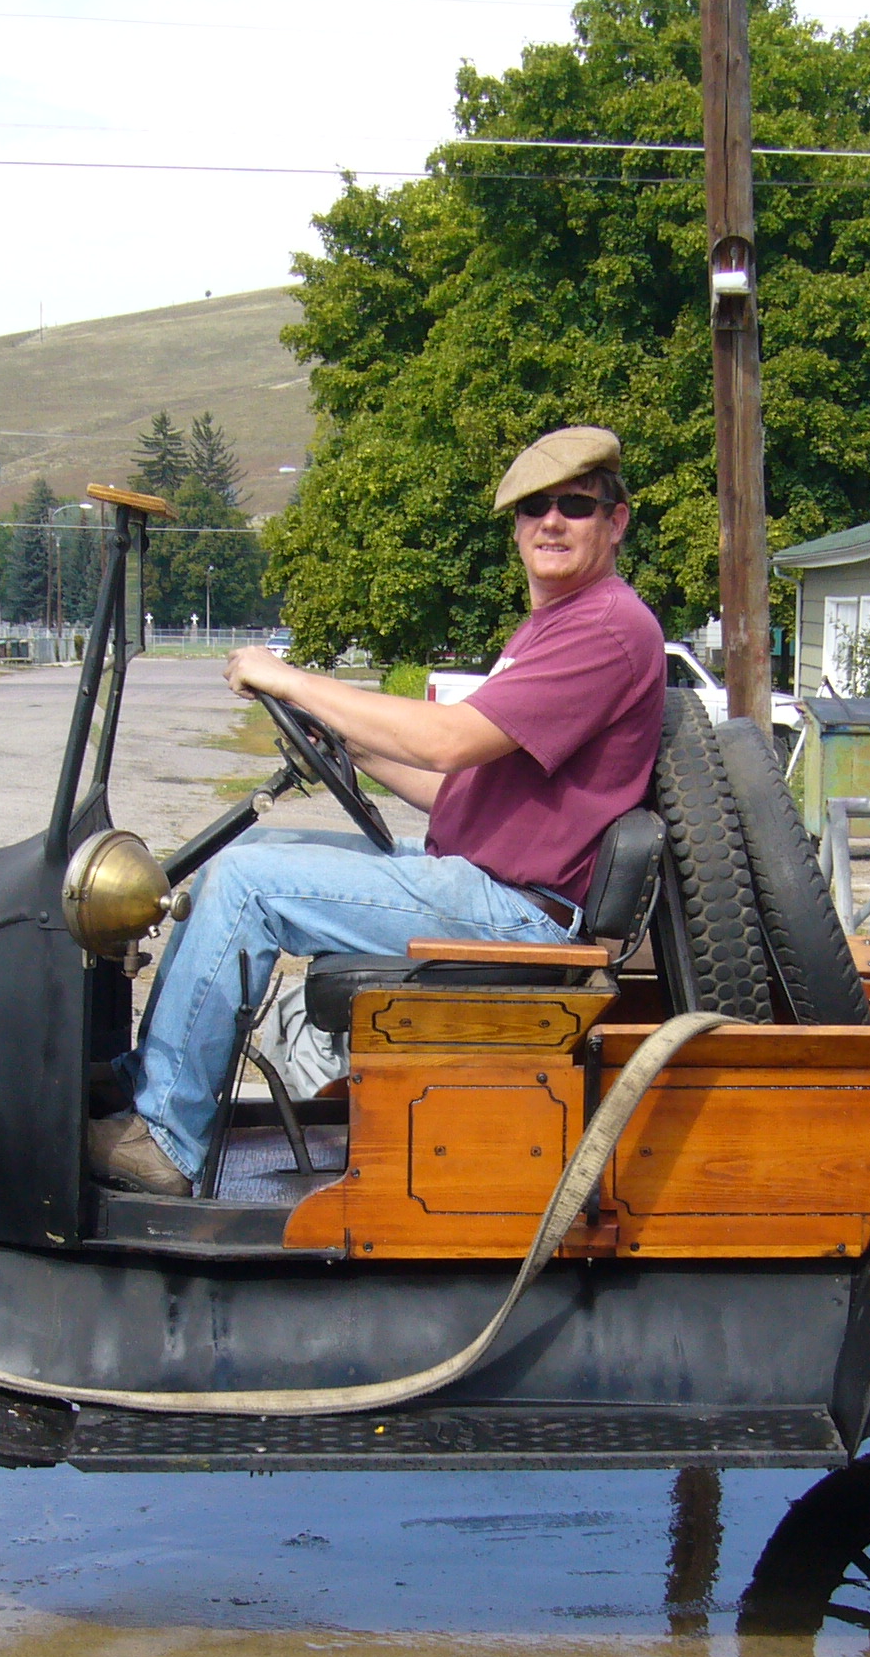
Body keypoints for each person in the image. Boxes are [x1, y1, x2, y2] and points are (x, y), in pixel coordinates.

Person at [88, 424, 667, 1196]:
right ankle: (148, 1080)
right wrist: (351, 747)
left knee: (247, 885)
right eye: (533, 508)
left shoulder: (605, 628)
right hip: (486, 882)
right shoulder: (555, 626)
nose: (551, 523)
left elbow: (447, 742)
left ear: (616, 520)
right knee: (253, 858)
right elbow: (453, 788)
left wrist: (289, 678)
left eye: (575, 505)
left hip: (520, 913)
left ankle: (164, 1138)